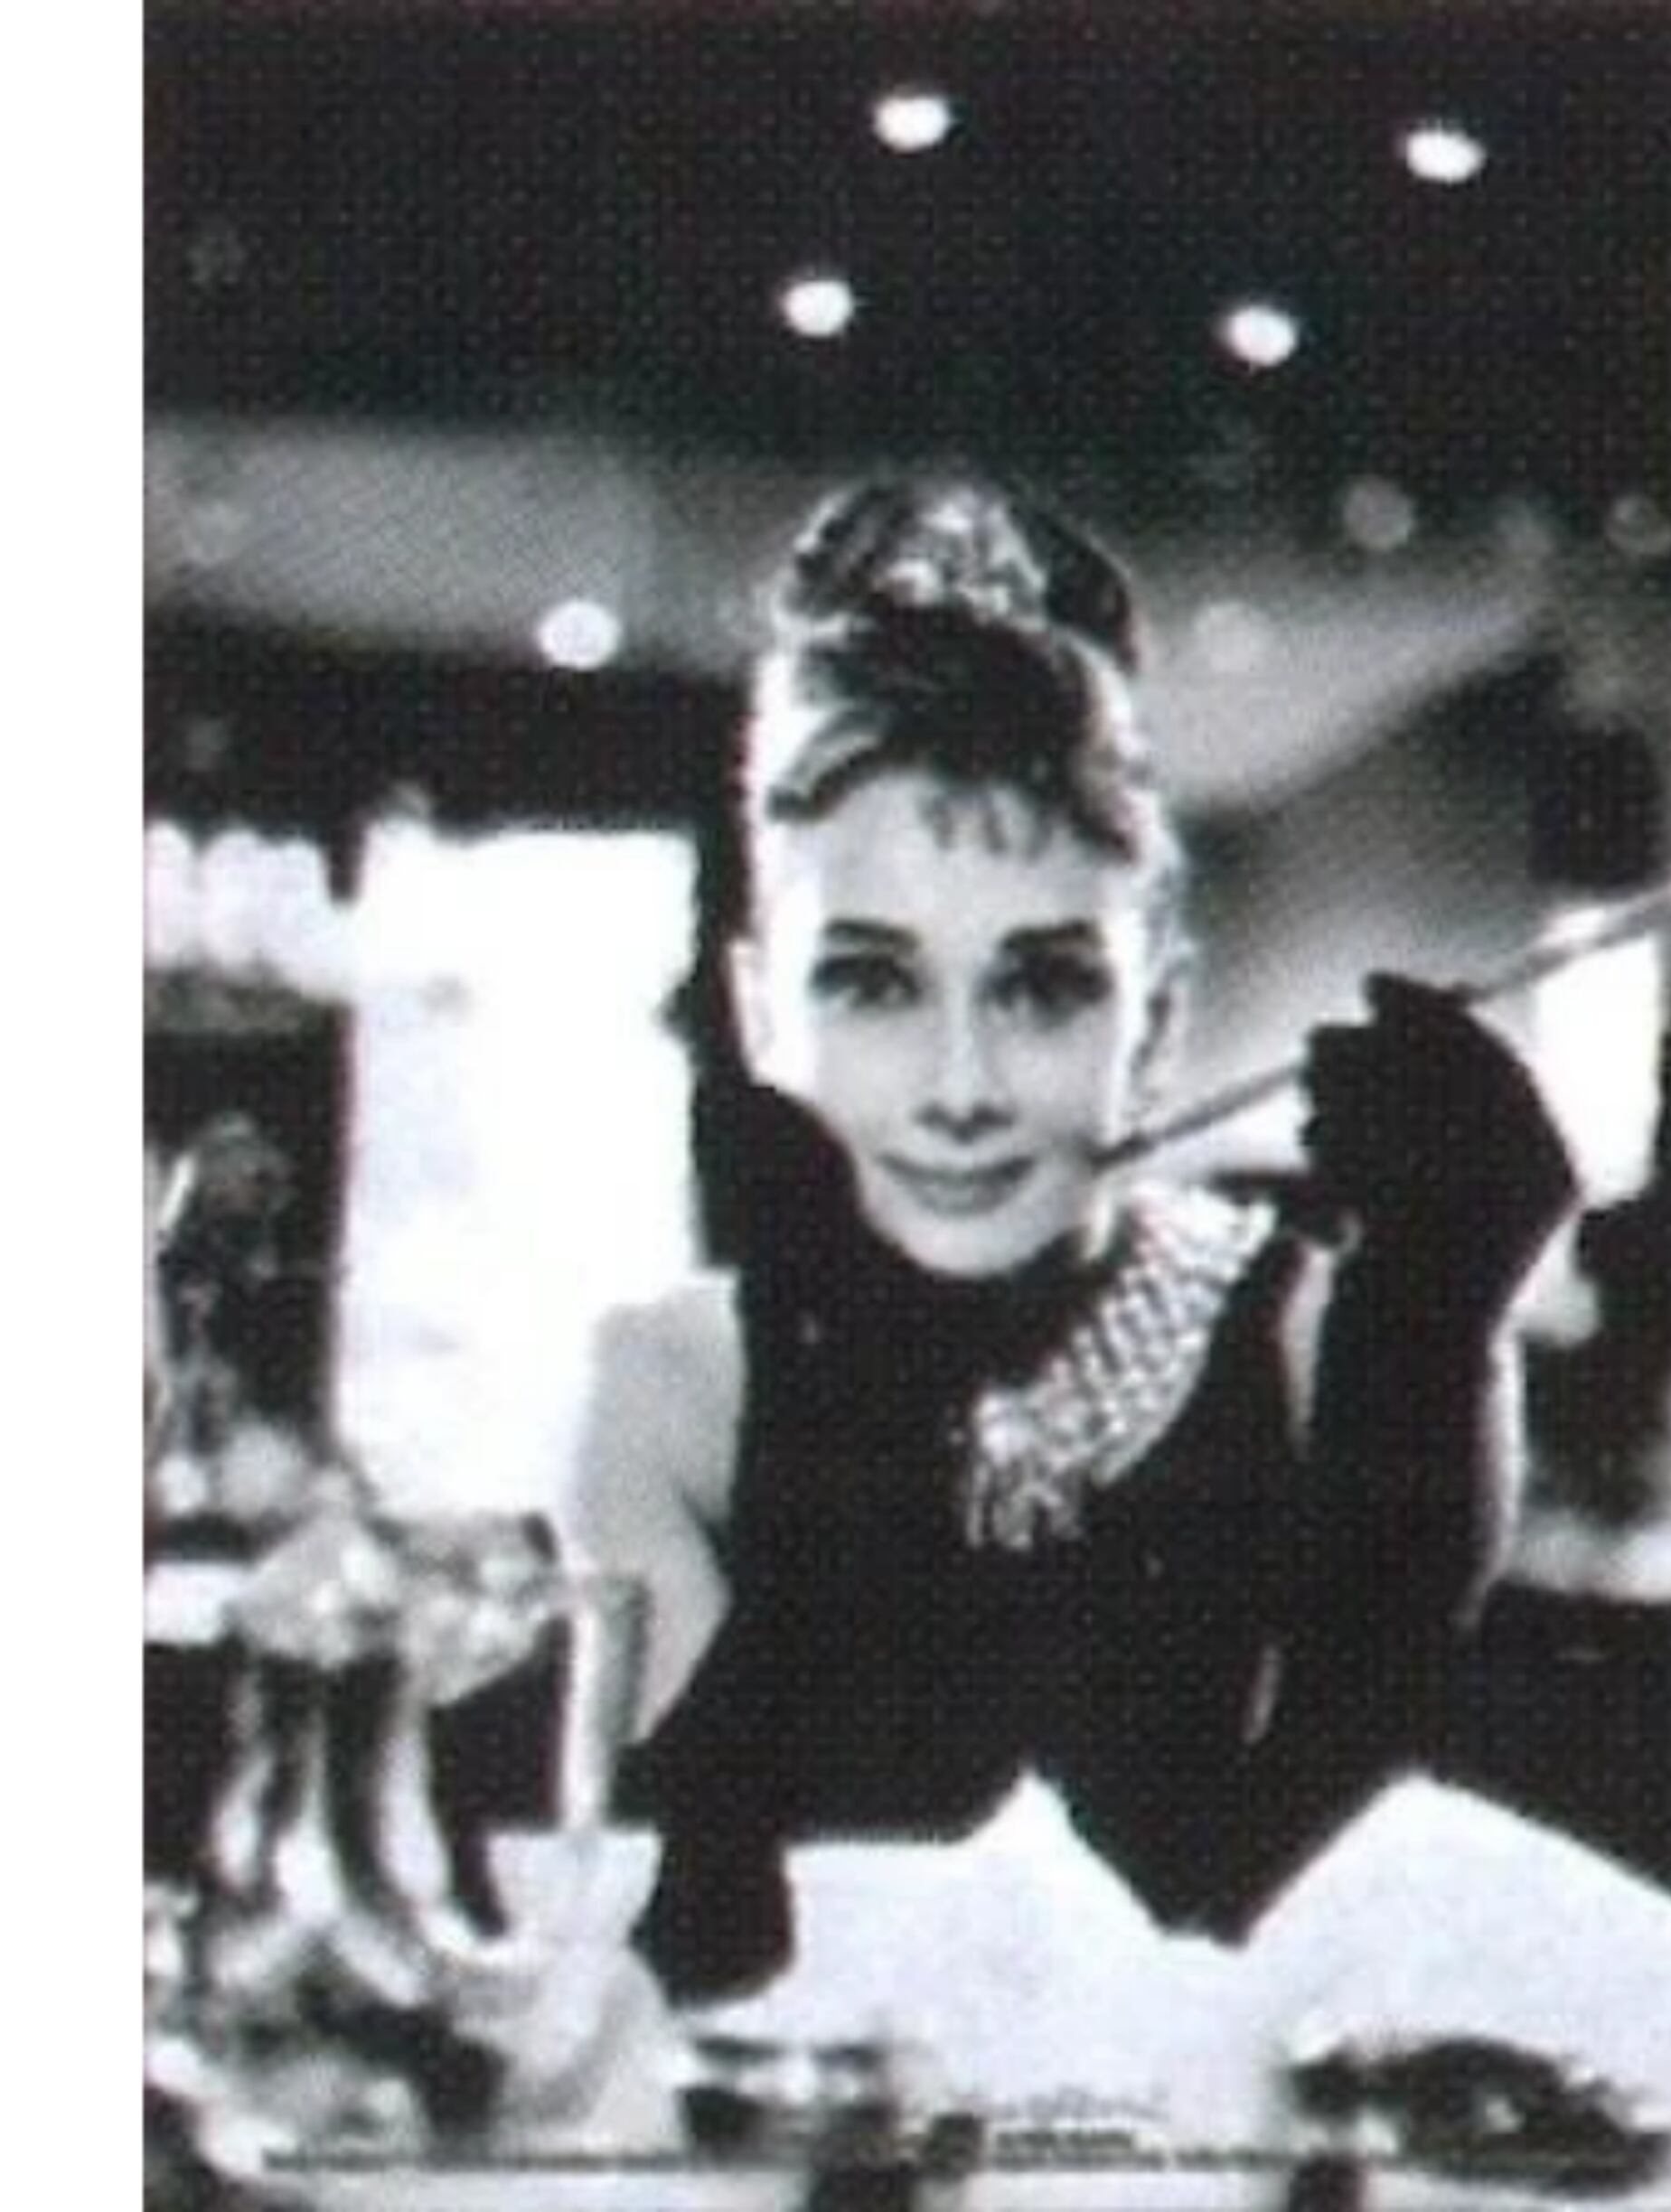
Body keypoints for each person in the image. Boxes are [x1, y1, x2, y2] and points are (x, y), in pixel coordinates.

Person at [570, 477, 1577, 2008]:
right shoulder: (672, 1386)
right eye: (872, 983)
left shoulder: (1336, 1338)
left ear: (1157, 1014)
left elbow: (1282, 1909)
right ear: (764, 1007)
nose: (961, 1089)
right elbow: (744, 1930)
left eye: (1042, 986)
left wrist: (1432, 1350)